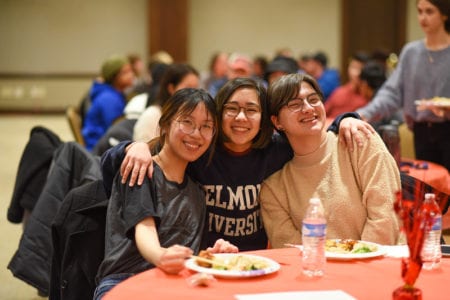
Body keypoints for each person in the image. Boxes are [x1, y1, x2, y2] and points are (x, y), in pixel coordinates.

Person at [101, 77, 374, 252]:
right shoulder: (201, 148)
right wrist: (131, 147)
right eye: (232, 108)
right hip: (206, 260)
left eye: (252, 110)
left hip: (256, 262)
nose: (241, 117)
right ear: (218, 115)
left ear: (266, 119)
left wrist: (345, 119)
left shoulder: (276, 150)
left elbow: (313, 135)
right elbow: (113, 165)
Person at [93, 88, 237, 299]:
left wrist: (210, 257)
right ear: (165, 125)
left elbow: (188, 255)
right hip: (125, 282)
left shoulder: (196, 192)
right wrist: (161, 256)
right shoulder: (141, 169)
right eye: (187, 122)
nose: (196, 133)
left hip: (175, 285)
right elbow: (144, 229)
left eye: (206, 126)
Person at [260, 73, 400, 249]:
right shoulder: (274, 190)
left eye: (313, 99)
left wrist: (358, 264)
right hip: (320, 273)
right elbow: (291, 250)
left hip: (380, 265)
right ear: (277, 122)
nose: (308, 108)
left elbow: (385, 217)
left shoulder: (358, 141)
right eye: (294, 104)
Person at [357, 0, 450, 171]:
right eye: (420, 11)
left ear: (444, 14)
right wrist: (366, 113)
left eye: (430, 12)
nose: (423, 17)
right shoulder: (411, 52)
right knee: (428, 189)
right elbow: (392, 93)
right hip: (422, 132)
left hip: (447, 128)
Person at [133, 63, 200, 142]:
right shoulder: (152, 115)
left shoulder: (194, 116)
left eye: (196, 89)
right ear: (171, 88)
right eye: (188, 88)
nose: (194, 94)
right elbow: (143, 150)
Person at [82, 55, 135, 151]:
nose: (131, 75)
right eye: (125, 72)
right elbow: (117, 132)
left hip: (103, 144)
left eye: (131, 70)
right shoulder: (109, 99)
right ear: (114, 76)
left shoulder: (114, 93)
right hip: (99, 150)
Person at [325, 52, 370, 118]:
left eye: (361, 69)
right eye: (354, 67)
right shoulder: (339, 91)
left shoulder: (368, 95)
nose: (356, 73)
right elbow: (324, 112)